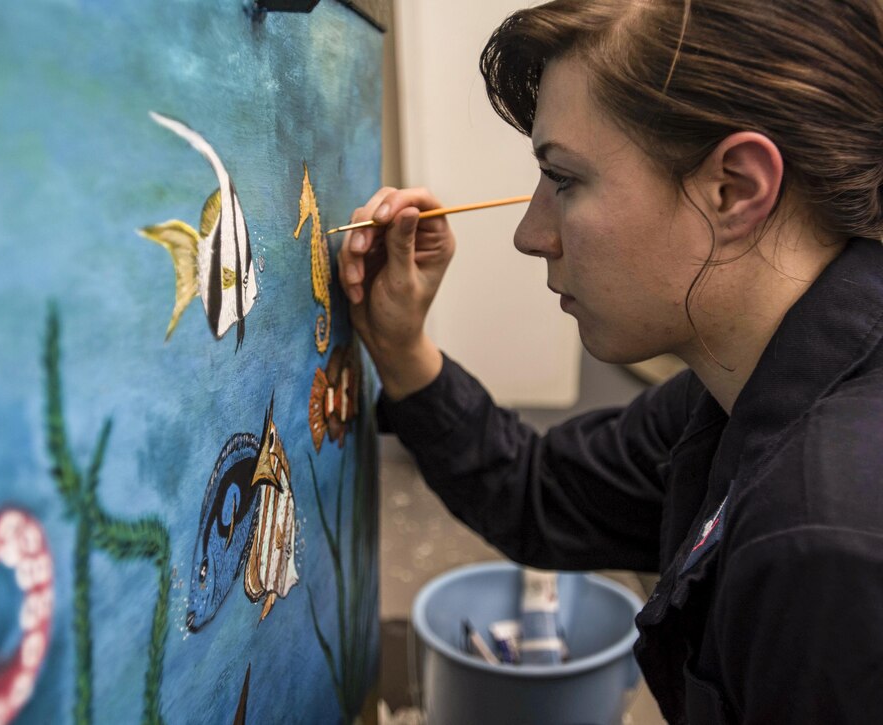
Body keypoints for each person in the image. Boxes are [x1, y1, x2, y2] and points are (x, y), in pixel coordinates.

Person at [338, 1, 883, 722]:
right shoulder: (733, 387)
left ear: (736, 188)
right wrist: (402, 348)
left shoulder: (824, 545)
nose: (531, 235)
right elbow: (543, 493)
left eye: (564, 180)